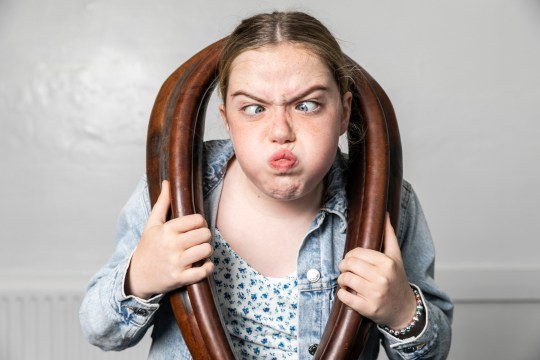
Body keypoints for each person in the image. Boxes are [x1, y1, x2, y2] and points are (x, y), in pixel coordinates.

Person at [80, 11, 453, 360]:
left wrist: (403, 310)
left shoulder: (392, 205)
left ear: (343, 113)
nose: (280, 132)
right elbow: (99, 329)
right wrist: (140, 277)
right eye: (254, 109)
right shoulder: (168, 195)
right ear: (227, 118)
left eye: (307, 105)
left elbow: (434, 351)